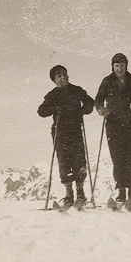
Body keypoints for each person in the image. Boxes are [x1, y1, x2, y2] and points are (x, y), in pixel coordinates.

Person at [38, 65, 94, 207]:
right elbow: (41, 111)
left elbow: (89, 102)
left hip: (75, 129)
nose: (63, 77)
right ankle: (69, 194)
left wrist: (83, 111)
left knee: (79, 159)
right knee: (64, 161)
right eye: (59, 76)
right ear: (54, 80)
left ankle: (80, 194)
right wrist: (55, 109)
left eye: (64, 74)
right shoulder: (52, 95)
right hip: (60, 131)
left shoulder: (76, 90)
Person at [95, 53, 131, 202]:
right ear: (112, 67)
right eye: (117, 66)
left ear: (126, 66)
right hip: (114, 123)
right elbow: (98, 99)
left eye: (122, 65)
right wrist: (101, 110)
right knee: (118, 157)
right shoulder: (107, 81)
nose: (119, 69)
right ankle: (122, 191)